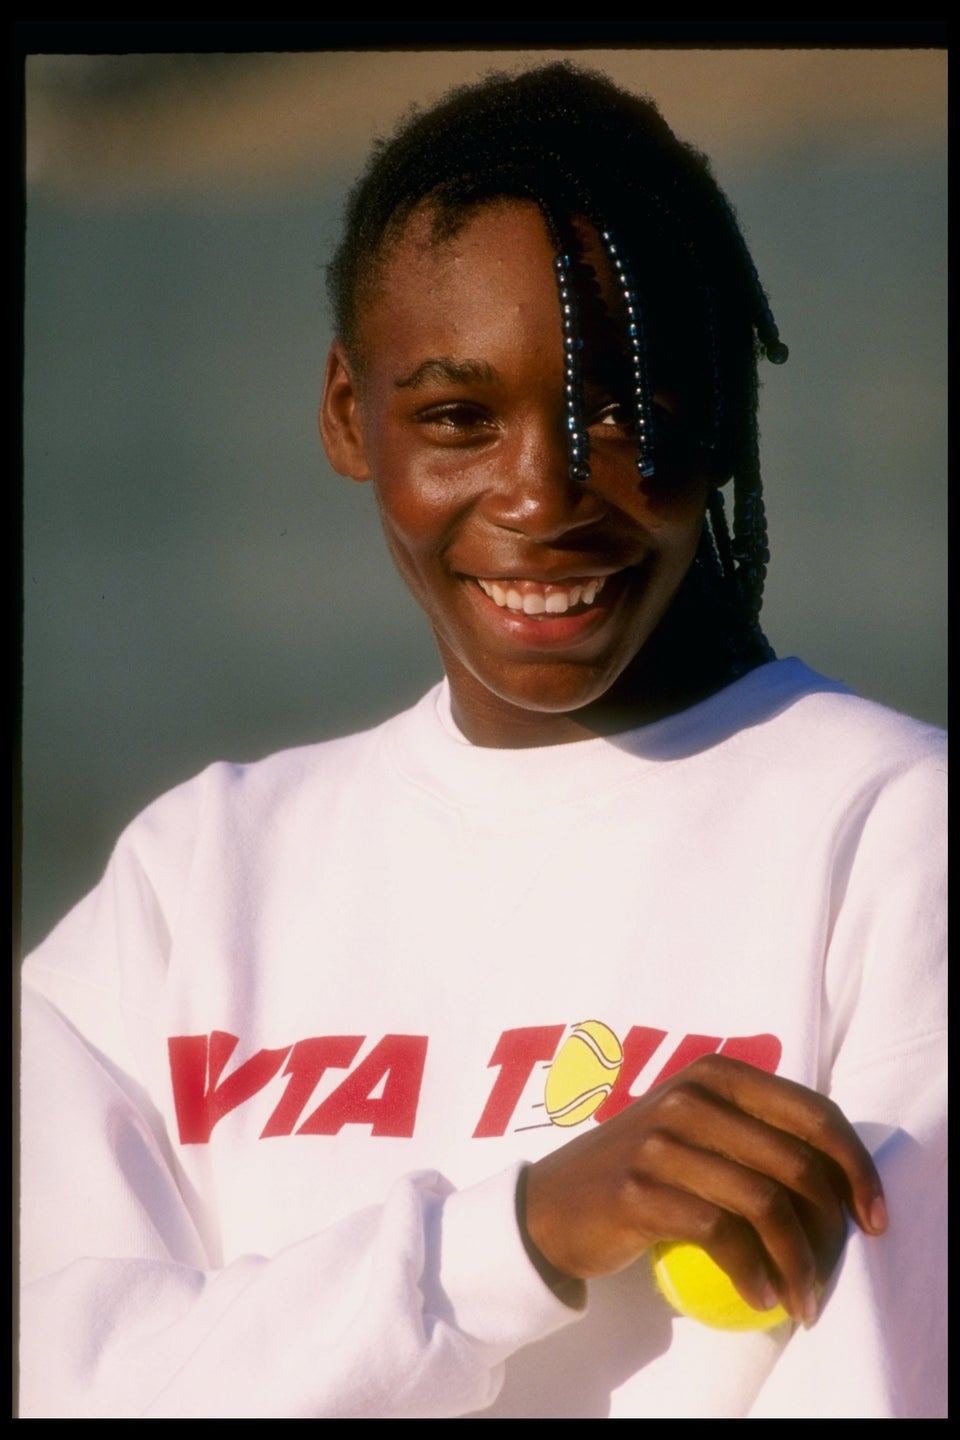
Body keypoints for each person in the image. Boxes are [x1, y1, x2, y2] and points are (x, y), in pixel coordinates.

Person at [19, 62, 945, 1419]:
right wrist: (517, 1236)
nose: (541, 495)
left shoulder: (895, 830)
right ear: (352, 416)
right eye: (459, 417)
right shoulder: (191, 877)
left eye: (621, 411)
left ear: (726, 416)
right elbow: (68, 1372)